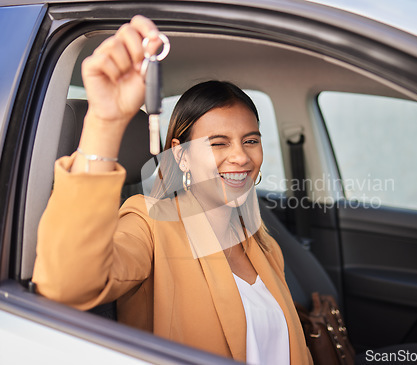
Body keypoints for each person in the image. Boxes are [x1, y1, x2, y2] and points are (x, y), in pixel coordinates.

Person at [32, 15, 312, 365]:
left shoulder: (262, 242)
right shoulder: (150, 222)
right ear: (180, 155)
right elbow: (68, 285)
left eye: (250, 140)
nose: (240, 156)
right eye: (218, 143)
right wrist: (105, 122)